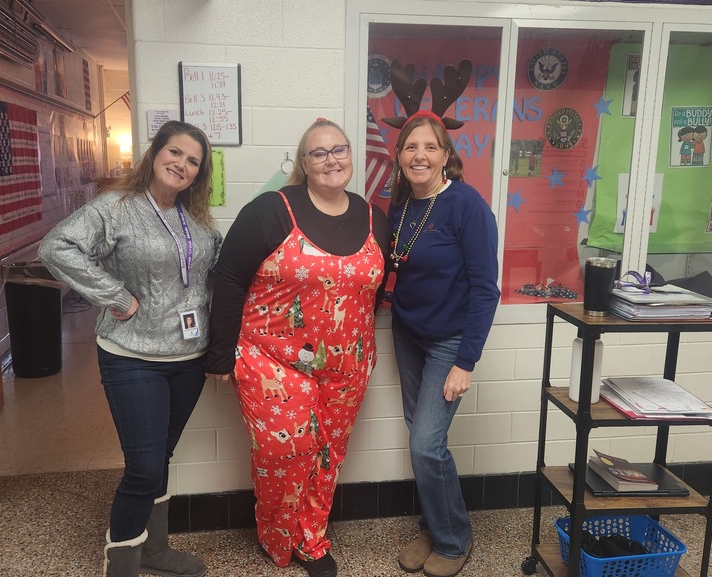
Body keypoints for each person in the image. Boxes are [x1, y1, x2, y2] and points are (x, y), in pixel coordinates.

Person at [206, 119, 390, 577]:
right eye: (319, 153)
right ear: (303, 164)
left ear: (352, 156)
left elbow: (375, 289)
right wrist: (219, 353)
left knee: (327, 455)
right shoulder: (271, 210)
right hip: (271, 360)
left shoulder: (374, 218)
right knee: (284, 453)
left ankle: (311, 540)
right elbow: (229, 279)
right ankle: (276, 538)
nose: (332, 160)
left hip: (348, 367)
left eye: (339, 150)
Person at [38, 121, 221, 577]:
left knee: (160, 458)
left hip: (188, 357)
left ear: (199, 173)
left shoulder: (195, 219)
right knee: (142, 467)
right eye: (175, 152)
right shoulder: (116, 207)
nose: (182, 164)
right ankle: (119, 565)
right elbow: (55, 246)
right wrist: (117, 297)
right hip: (131, 356)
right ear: (155, 153)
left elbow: (215, 269)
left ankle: (154, 551)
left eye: (193, 161)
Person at [387, 112, 500, 577]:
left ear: (446, 155)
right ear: (398, 157)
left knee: (425, 445)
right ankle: (435, 525)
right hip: (407, 334)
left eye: (430, 147)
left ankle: (454, 541)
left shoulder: (467, 206)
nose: (420, 155)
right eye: (411, 147)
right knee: (423, 439)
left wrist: (465, 361)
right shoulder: (400, 205)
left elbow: (485, 289)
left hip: (448, 342)